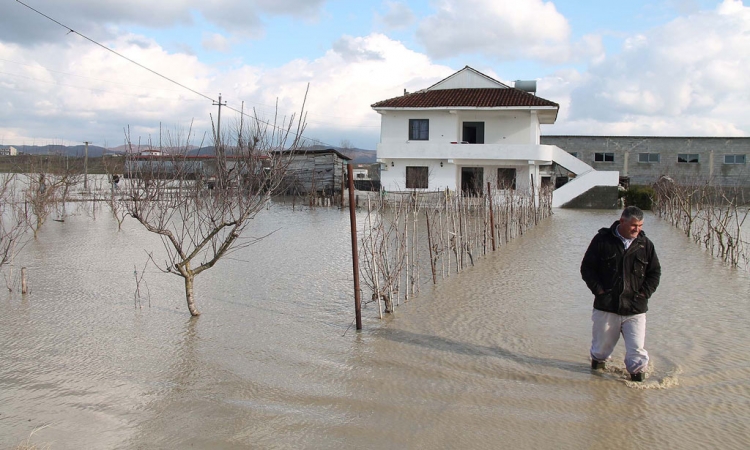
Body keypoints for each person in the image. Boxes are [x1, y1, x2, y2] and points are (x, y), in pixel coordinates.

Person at [580, 206, 661, 382]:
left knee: (637, 351)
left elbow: (654, 273)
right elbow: (587, 268)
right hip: (606, 307)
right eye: (634, 225)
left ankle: (638, 386)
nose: (637, 229)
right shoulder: (602, 240)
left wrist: (644, 294)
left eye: (640, 225)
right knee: (600, 351)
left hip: (635, 309)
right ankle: (597, 384)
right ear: (622, 221)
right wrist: (599, 291)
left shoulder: (645, 244)